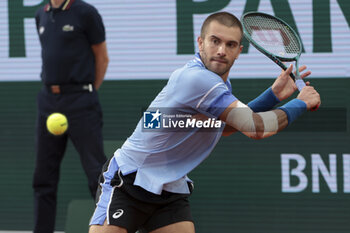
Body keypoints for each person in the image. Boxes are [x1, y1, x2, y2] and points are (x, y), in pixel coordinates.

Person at [89, 12, 320, 233]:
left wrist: (273, 96)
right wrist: (300, 103)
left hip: (168, 187)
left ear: (239, 51)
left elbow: (225, 128)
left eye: (230, 45)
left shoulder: (217, 86)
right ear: (200, 43)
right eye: (215, 41)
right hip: (130, 181)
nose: (221, 50)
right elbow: (256, 128)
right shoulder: (197, 80)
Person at [32, 0, 109, 232]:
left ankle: (109, 227)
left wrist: (86, 91)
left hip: (81, 101)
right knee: (43, 179)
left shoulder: (86, 13)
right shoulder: (40, 15)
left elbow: (102, 58)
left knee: (97, 175)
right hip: (48, 101)